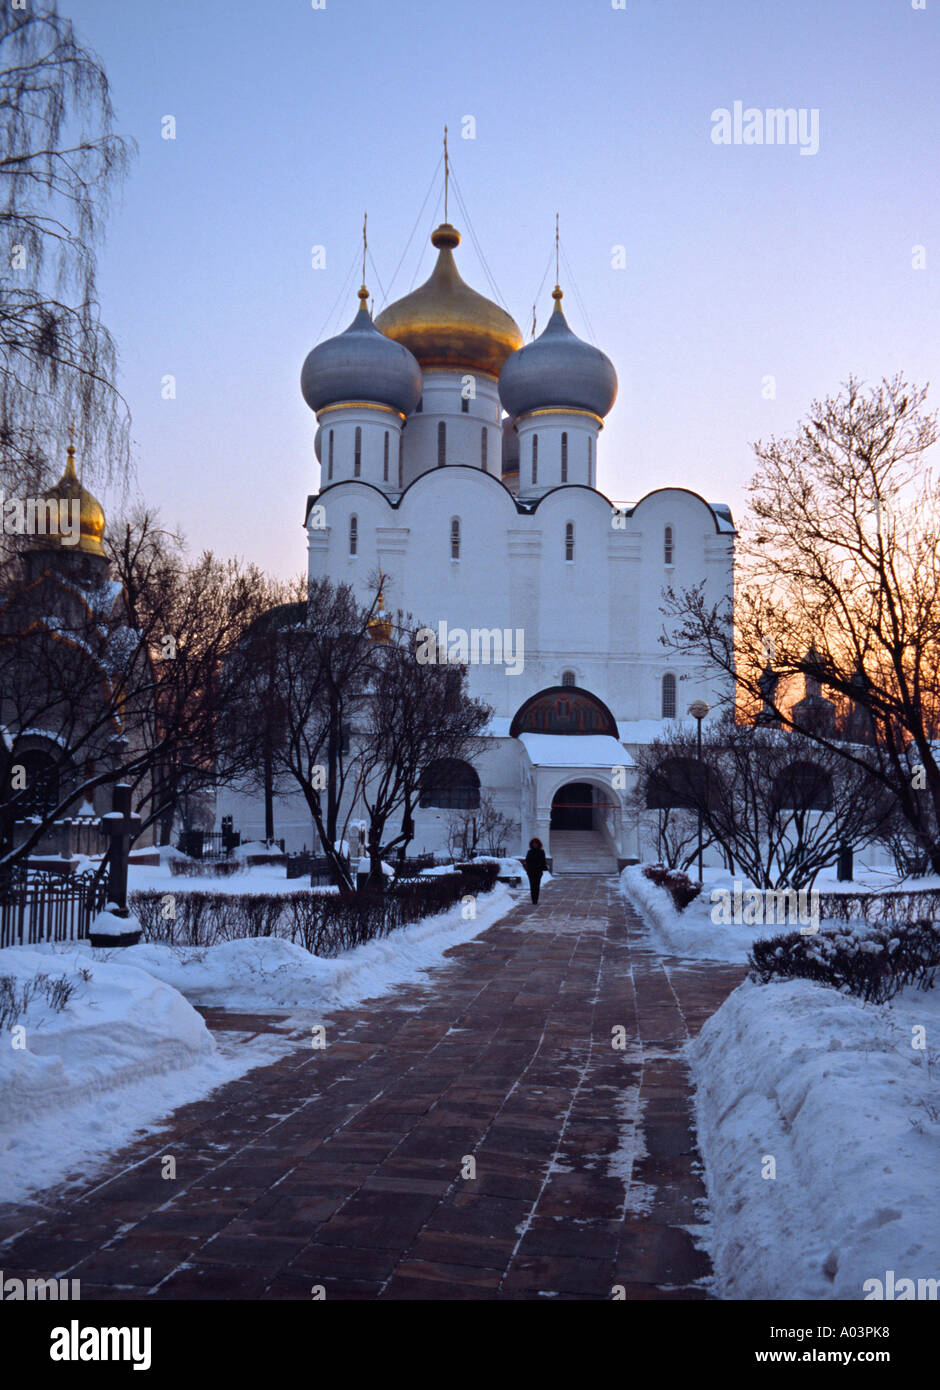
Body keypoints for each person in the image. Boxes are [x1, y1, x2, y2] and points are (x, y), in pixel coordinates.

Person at [524, 836, 548, 904]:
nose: (534, 845)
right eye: (533, 843)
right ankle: (533, 899)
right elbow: (527, 860)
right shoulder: (530, 852)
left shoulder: (541, 852)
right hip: (531, 871)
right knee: (532, 885)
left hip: (538, 871)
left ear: (538, 844)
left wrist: (541, 867)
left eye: (536, 843)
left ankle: (536, 899)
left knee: (537, 885)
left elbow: (543, 861)